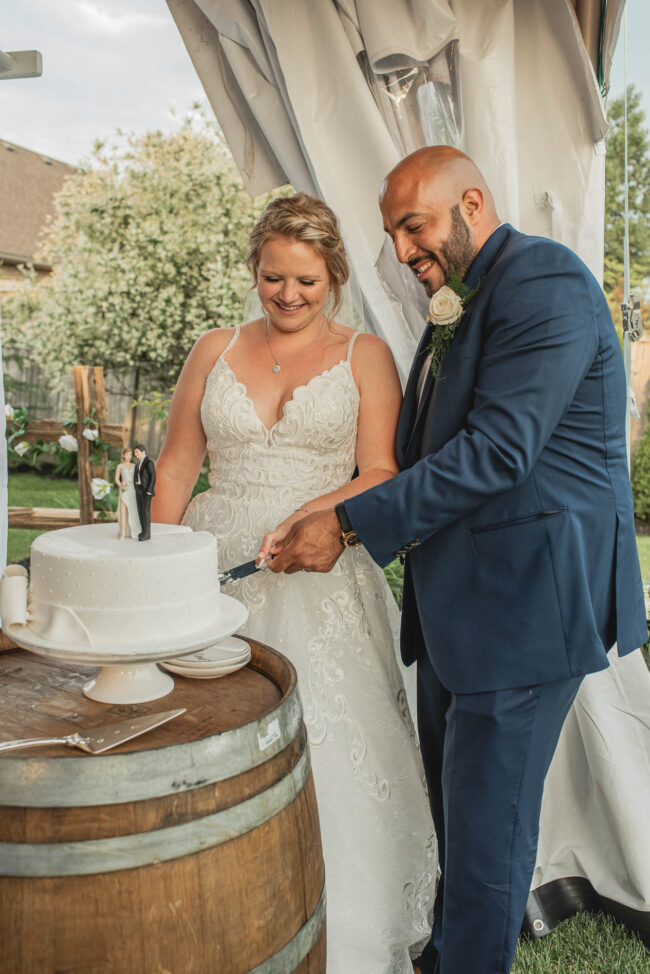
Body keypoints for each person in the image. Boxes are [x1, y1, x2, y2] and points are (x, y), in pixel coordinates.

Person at [264, 148, 648, 974]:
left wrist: (349, 524)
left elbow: (497, 452)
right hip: (461, 610)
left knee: (484, 846)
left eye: (414, 227)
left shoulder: (544, 281)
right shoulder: (463, 298)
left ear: (472, 203)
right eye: (393, 235)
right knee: (461, 828)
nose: (403, 250)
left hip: (525, 609)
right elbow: (421, 451)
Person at [152, 193, 437, 972]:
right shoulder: (214, 349)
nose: (286, 295)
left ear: (334, 277)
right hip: (216, 571)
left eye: (306, 281)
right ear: (254, 269)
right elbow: (176, 467)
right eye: (273, 277)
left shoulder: (364, 355)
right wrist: (158, 574)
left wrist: (315, 518)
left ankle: (332, 909)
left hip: (319, 570)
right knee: (205, 736)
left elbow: (380, 471)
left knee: (327, 744)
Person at [114, 446, 142, 540]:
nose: (129, 456)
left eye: (130, 454)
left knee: (133, 511)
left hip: (132, 490)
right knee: (123, 511)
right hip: (124, 490)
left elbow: (138, 478)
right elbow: (116, 479)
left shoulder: (134, 466)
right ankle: (122, 532)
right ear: (123, 455)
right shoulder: (120, 466)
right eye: (127, 454)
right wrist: (121, 485)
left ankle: (133, 530)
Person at [133, 444, 155, 541]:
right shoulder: (137, 463)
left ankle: (147, 534)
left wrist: (149, 490)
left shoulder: (149, 463)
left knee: (145, 512)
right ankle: (143, 531)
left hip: (146, 491)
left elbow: (153, 477)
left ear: (143, 452)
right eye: (135, 452)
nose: (135, 454)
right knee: (140, 511)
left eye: (137, 452)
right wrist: (135, 487)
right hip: (138, 489)